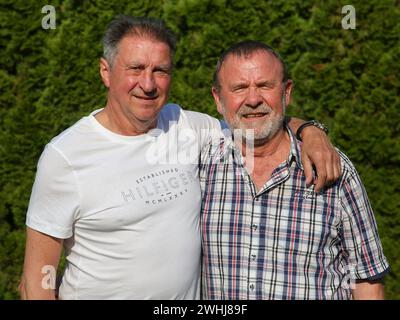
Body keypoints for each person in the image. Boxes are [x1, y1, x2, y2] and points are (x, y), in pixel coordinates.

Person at [19, 16, 339, 300]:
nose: (147, 84)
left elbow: (256, 121)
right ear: (106, 71)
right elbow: (36, 283)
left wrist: (310, 131)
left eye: (160, 71)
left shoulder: (184, 126)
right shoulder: (66, 156)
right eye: (136, 69)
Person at [199, 40, 390, 300]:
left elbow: (367, 280)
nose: (253, 99)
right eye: (240, 88)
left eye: (265, 85)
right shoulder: (202, 168)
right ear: (218, 99)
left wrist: (310, 130)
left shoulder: (333, 168)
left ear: (286, 92)